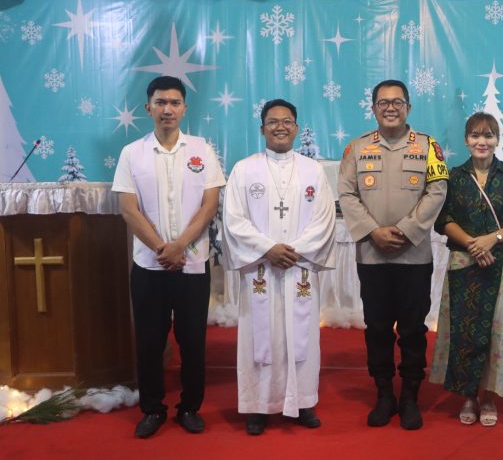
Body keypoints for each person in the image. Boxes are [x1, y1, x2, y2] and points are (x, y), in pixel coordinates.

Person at [112, 76, 225, 438]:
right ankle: (152, 409)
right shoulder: (132, 153)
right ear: (148, 108)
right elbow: (128, 209)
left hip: (192, 264)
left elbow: (209, 205)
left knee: (193, 341)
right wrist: (163, 249)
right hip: (150, 265)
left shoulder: (202, 150)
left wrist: (180, 247)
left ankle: (190, 407)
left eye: (174, 103)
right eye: (160, 102)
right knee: (149, 342)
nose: (167, 109)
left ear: (184, 109)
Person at [338, 79, 448, 430]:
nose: (390, 107)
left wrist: (406, 230)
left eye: (397, 102)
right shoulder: (357, 148)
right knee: (378, 328)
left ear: (408, 108)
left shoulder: (429, 147)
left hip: (413, 256)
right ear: (373, 108)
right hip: (373, 257)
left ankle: (410, 395)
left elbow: (437, 190)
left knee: (414, 329)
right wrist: (373, 231)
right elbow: (346, 194)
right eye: (383, 102)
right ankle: (384, 393)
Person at [222, 99, 336, 436]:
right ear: (262, 128)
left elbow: (325, 218)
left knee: (302, 335)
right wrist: (267, 248)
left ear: (296, 128)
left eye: (287, 121)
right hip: (260, 268)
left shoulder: (313, 171)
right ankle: (259, 405)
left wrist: (294, 251)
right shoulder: (244, 170)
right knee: (260, 335)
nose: (280, 127)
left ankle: (302, 401)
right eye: (273, 121)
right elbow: (233, 219)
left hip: (299, 268)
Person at [429, 112, 503, 427]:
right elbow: (443, 220)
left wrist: (491, 240)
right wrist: (473, 245)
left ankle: (489, 396)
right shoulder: (455, 176)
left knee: (499, 332)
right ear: (466, 140)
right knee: (464, 332)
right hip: (464, 263)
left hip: (501, 265)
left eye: (488, 135)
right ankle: (468, 395)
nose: (482, 141)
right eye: (475, 135)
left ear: (497, 140)